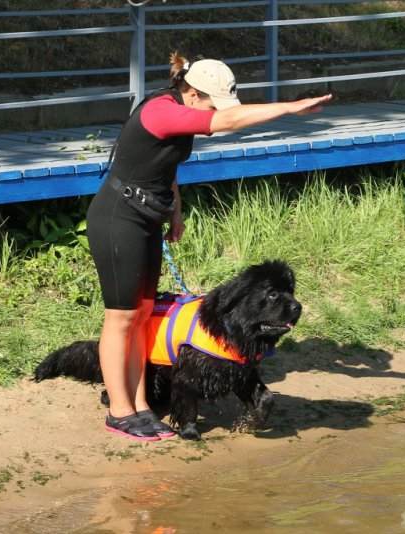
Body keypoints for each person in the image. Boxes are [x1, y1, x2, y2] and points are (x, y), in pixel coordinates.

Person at [86, 52, 332, 441]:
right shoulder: (161, 111)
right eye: (214, 102)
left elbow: (164, 167)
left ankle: (141, 406)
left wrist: (175, 212)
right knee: (122, 317)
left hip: (147, 216)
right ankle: (119, 412)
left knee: (143, 314)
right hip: (118, 218)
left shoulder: (180, 110)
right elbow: (229, 122)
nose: (218, 110)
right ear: (192, 92)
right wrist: (291, 106)